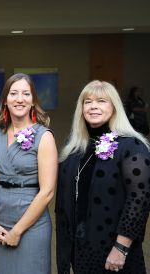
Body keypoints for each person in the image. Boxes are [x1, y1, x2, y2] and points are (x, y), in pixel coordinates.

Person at [56, 80, 150, 273]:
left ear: (114, 107)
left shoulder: (131, 146)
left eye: (101, 101)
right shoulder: (74, 148)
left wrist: (121, 248)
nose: (93, 106)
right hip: (81, 249)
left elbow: (138, 201)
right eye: (87, 101)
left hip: (114, 253)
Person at [0, 73, 57, 274]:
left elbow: (47, 192)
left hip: (31, 226)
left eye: (26, 94)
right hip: (1, 223)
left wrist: (17, 231)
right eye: (13, 93)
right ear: (5, 100)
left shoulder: (44, 137)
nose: (19, 99)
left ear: (33, 101)